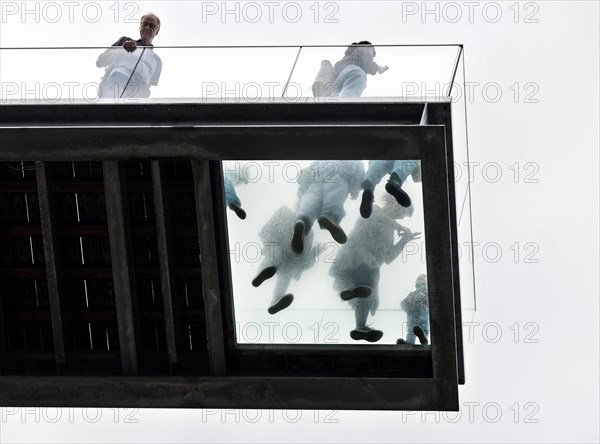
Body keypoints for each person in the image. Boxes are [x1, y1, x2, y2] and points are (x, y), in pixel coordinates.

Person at [329, 194, 421, 342]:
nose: (402, 217)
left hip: (366, 270)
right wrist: (398, 226)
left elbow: (388, 257)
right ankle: (351, 291)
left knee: (368, 294)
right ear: (395, 203)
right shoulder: (374, 209)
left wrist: (404, 241)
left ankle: (360, 326)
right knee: (370, 274)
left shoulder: (391, 233)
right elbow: (374, 218)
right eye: (403, 212)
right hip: (355, 257)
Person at [252, 206, 319, 314]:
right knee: (283, 272)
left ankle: (274, 298)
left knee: (277, 263)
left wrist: (315, 253)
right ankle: (274, 296)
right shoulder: (287, 214)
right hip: (284, 253)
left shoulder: (309, 232)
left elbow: (305, 254)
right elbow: (270, 227)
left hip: (287, 256)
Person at [291, 160, 364, 254]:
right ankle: (330, 216)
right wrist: (355, 188)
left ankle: (302, 221)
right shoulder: (352, 157)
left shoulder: (321, 156)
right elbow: (358, 171)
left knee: (310, 202)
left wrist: (303, 187)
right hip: (339, 176)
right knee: (334, 198)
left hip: (316, 178)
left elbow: (308, 171)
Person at [96, 13, 162, 99]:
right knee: (111, 109)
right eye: (144, 24)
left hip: (139, 91)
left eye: (151, 25)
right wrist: (122, 49)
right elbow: (100, 62)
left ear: (157, 31)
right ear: (140, 27)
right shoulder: (125, 40)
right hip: (118, 80)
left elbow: (149, 84)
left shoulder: (157, 61)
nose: (147, 28)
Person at [396, 274, 430, 345]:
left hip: (413, 317)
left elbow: (403, 304)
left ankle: (410, 343)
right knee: (424, 329)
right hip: (423, 315)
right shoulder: (428, 294)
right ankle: (424, 338)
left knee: (411, 332)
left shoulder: (413, 295)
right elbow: (403, 304)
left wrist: (409, 308)